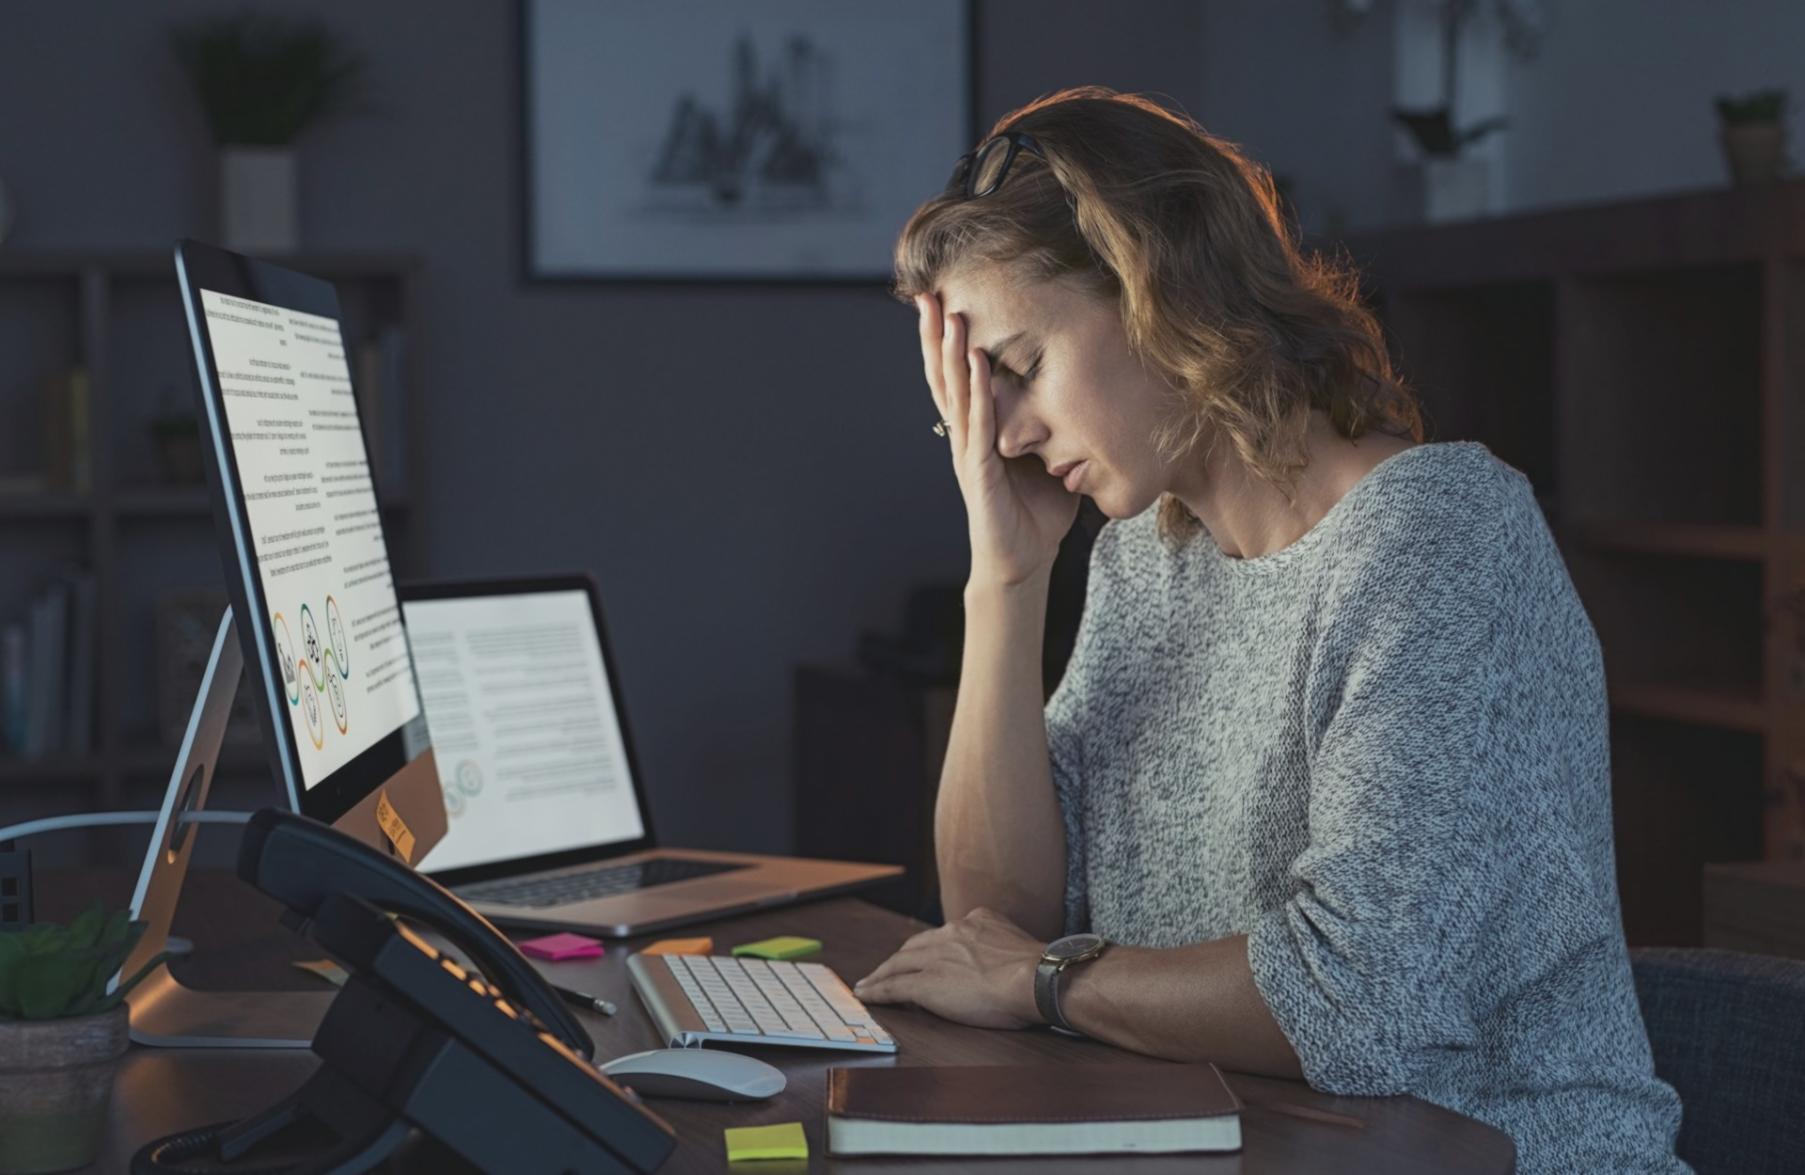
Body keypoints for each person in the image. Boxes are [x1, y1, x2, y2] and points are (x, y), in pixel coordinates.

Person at [850, 86, 1688, 1173]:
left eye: (1013, 368)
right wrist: (1003, 577)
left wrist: (1042, 979)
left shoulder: (1438, 542)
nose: (999, 432)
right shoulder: (1149, 555)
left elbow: (1355, 996)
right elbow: (995, 918)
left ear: (1159, 288)